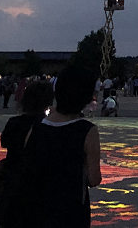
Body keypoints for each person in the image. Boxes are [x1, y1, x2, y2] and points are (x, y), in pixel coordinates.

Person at [19, 65, 102, 227]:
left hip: (37, 206)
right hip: (71, 209)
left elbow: (27, 165)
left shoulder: (37, 127)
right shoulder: (87, 131)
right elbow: (94, 179)